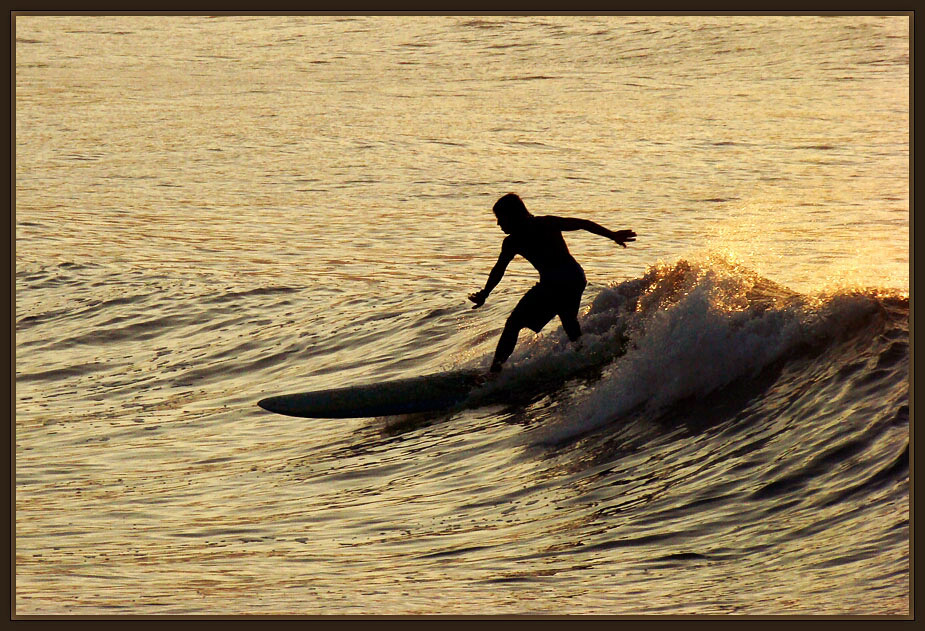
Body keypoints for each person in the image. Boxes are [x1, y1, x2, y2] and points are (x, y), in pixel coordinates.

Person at [469, 193, 636, 373]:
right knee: (569, 324)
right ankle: (591, 359)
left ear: (513, 215)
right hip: (573, 278)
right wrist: (485, 292)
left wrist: (612, 235)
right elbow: (499, 269)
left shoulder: (542, 225)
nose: (498, 224)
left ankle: (494, 372)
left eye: (500, 218)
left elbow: (581, 224)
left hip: (559, 282)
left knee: (513, 323)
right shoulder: (515, 240)